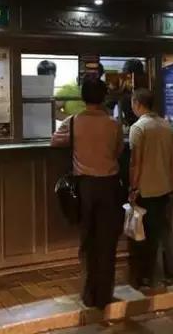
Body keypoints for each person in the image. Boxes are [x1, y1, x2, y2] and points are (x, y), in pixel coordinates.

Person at [51, 76, 124, 309]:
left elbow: (55, 141)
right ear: (104, 97)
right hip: (110, 186)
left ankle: (89, 294)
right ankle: (104, 295)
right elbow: (119, 150)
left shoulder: (74, 122)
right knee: (107, 242)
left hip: (85, 188)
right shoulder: (114, 124)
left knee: (88, 240)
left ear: (83, 97)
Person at [128, 88, 173, 287]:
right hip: (165, 187)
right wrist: (172, 182)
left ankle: (154, 277)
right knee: (164, 229)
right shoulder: (166, 125)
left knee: (149, 234)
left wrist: (133, 187)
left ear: (137, 103)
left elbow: (136, 162)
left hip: (146, 188)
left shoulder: (138, 128)